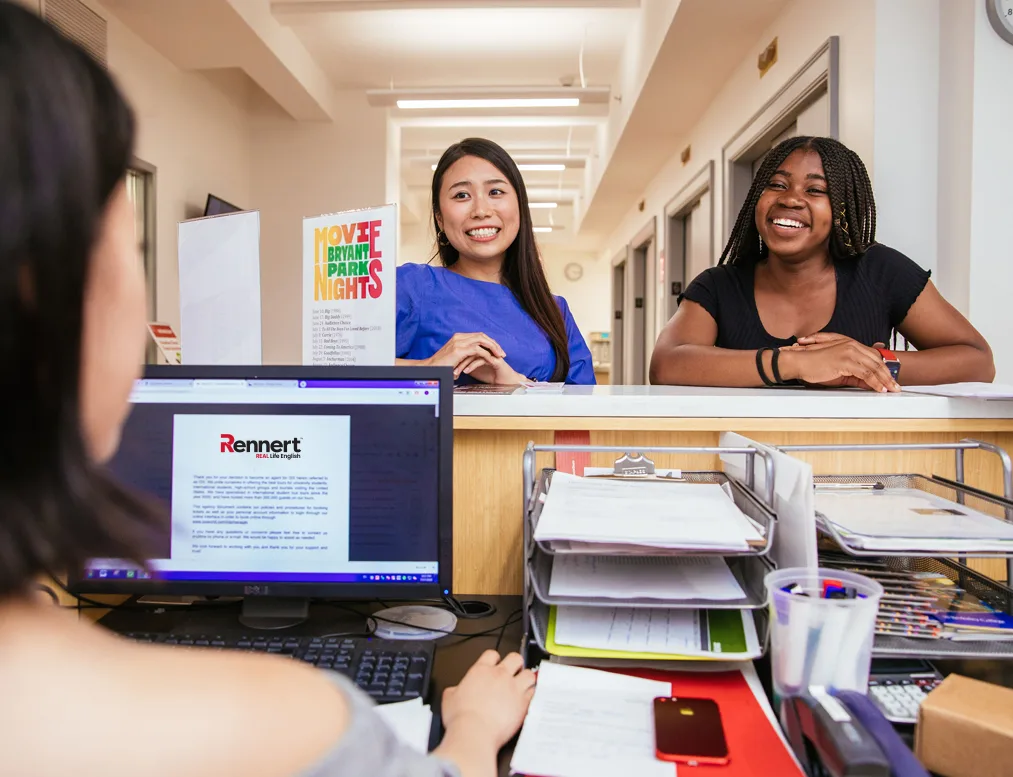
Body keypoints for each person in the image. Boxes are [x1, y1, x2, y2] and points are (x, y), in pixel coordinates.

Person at [0, 5, 534, 776]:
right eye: (130, 241)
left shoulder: (544, 306)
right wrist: (475, 731)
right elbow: (354, 368)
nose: (481, 209)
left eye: (495, 191)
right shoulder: (290, 721)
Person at [649, 136, 994, 391]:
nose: (791, 199)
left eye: (815, 191)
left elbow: (978, 362)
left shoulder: (880, 271)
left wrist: (869, 365)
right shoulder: (720, 286)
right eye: (777, 185)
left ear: (843, 208)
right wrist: (797, 362)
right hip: (746, 464)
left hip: (859, 470)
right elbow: (666, 364)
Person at [395, 137, 595, 385]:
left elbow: (582, 412)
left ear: (520, 206)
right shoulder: (410, 286)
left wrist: (516, 383)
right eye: (461, 195)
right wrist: (428, 367)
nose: (481, 210)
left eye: (496, 192)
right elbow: (338, 365)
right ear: (439, 217)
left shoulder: (554, 311)